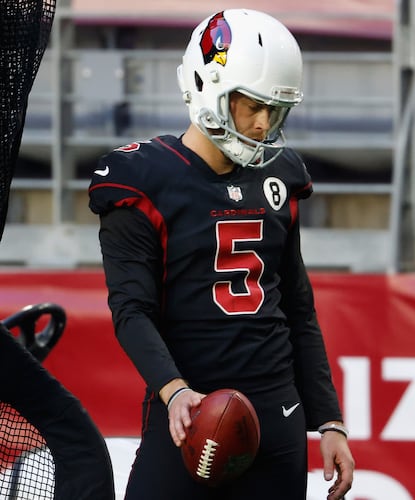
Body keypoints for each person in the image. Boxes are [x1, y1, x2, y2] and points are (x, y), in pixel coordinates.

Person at [89, 8, 354, 500]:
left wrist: (330, 420)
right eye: (251, 104)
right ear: (208, 85)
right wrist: (174, 390)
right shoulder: (142, 179)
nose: (261, 123)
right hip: (190, 412)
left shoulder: (280, 176)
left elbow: (297, 307)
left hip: (278, 416)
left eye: (275, 111)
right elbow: (130, 310)